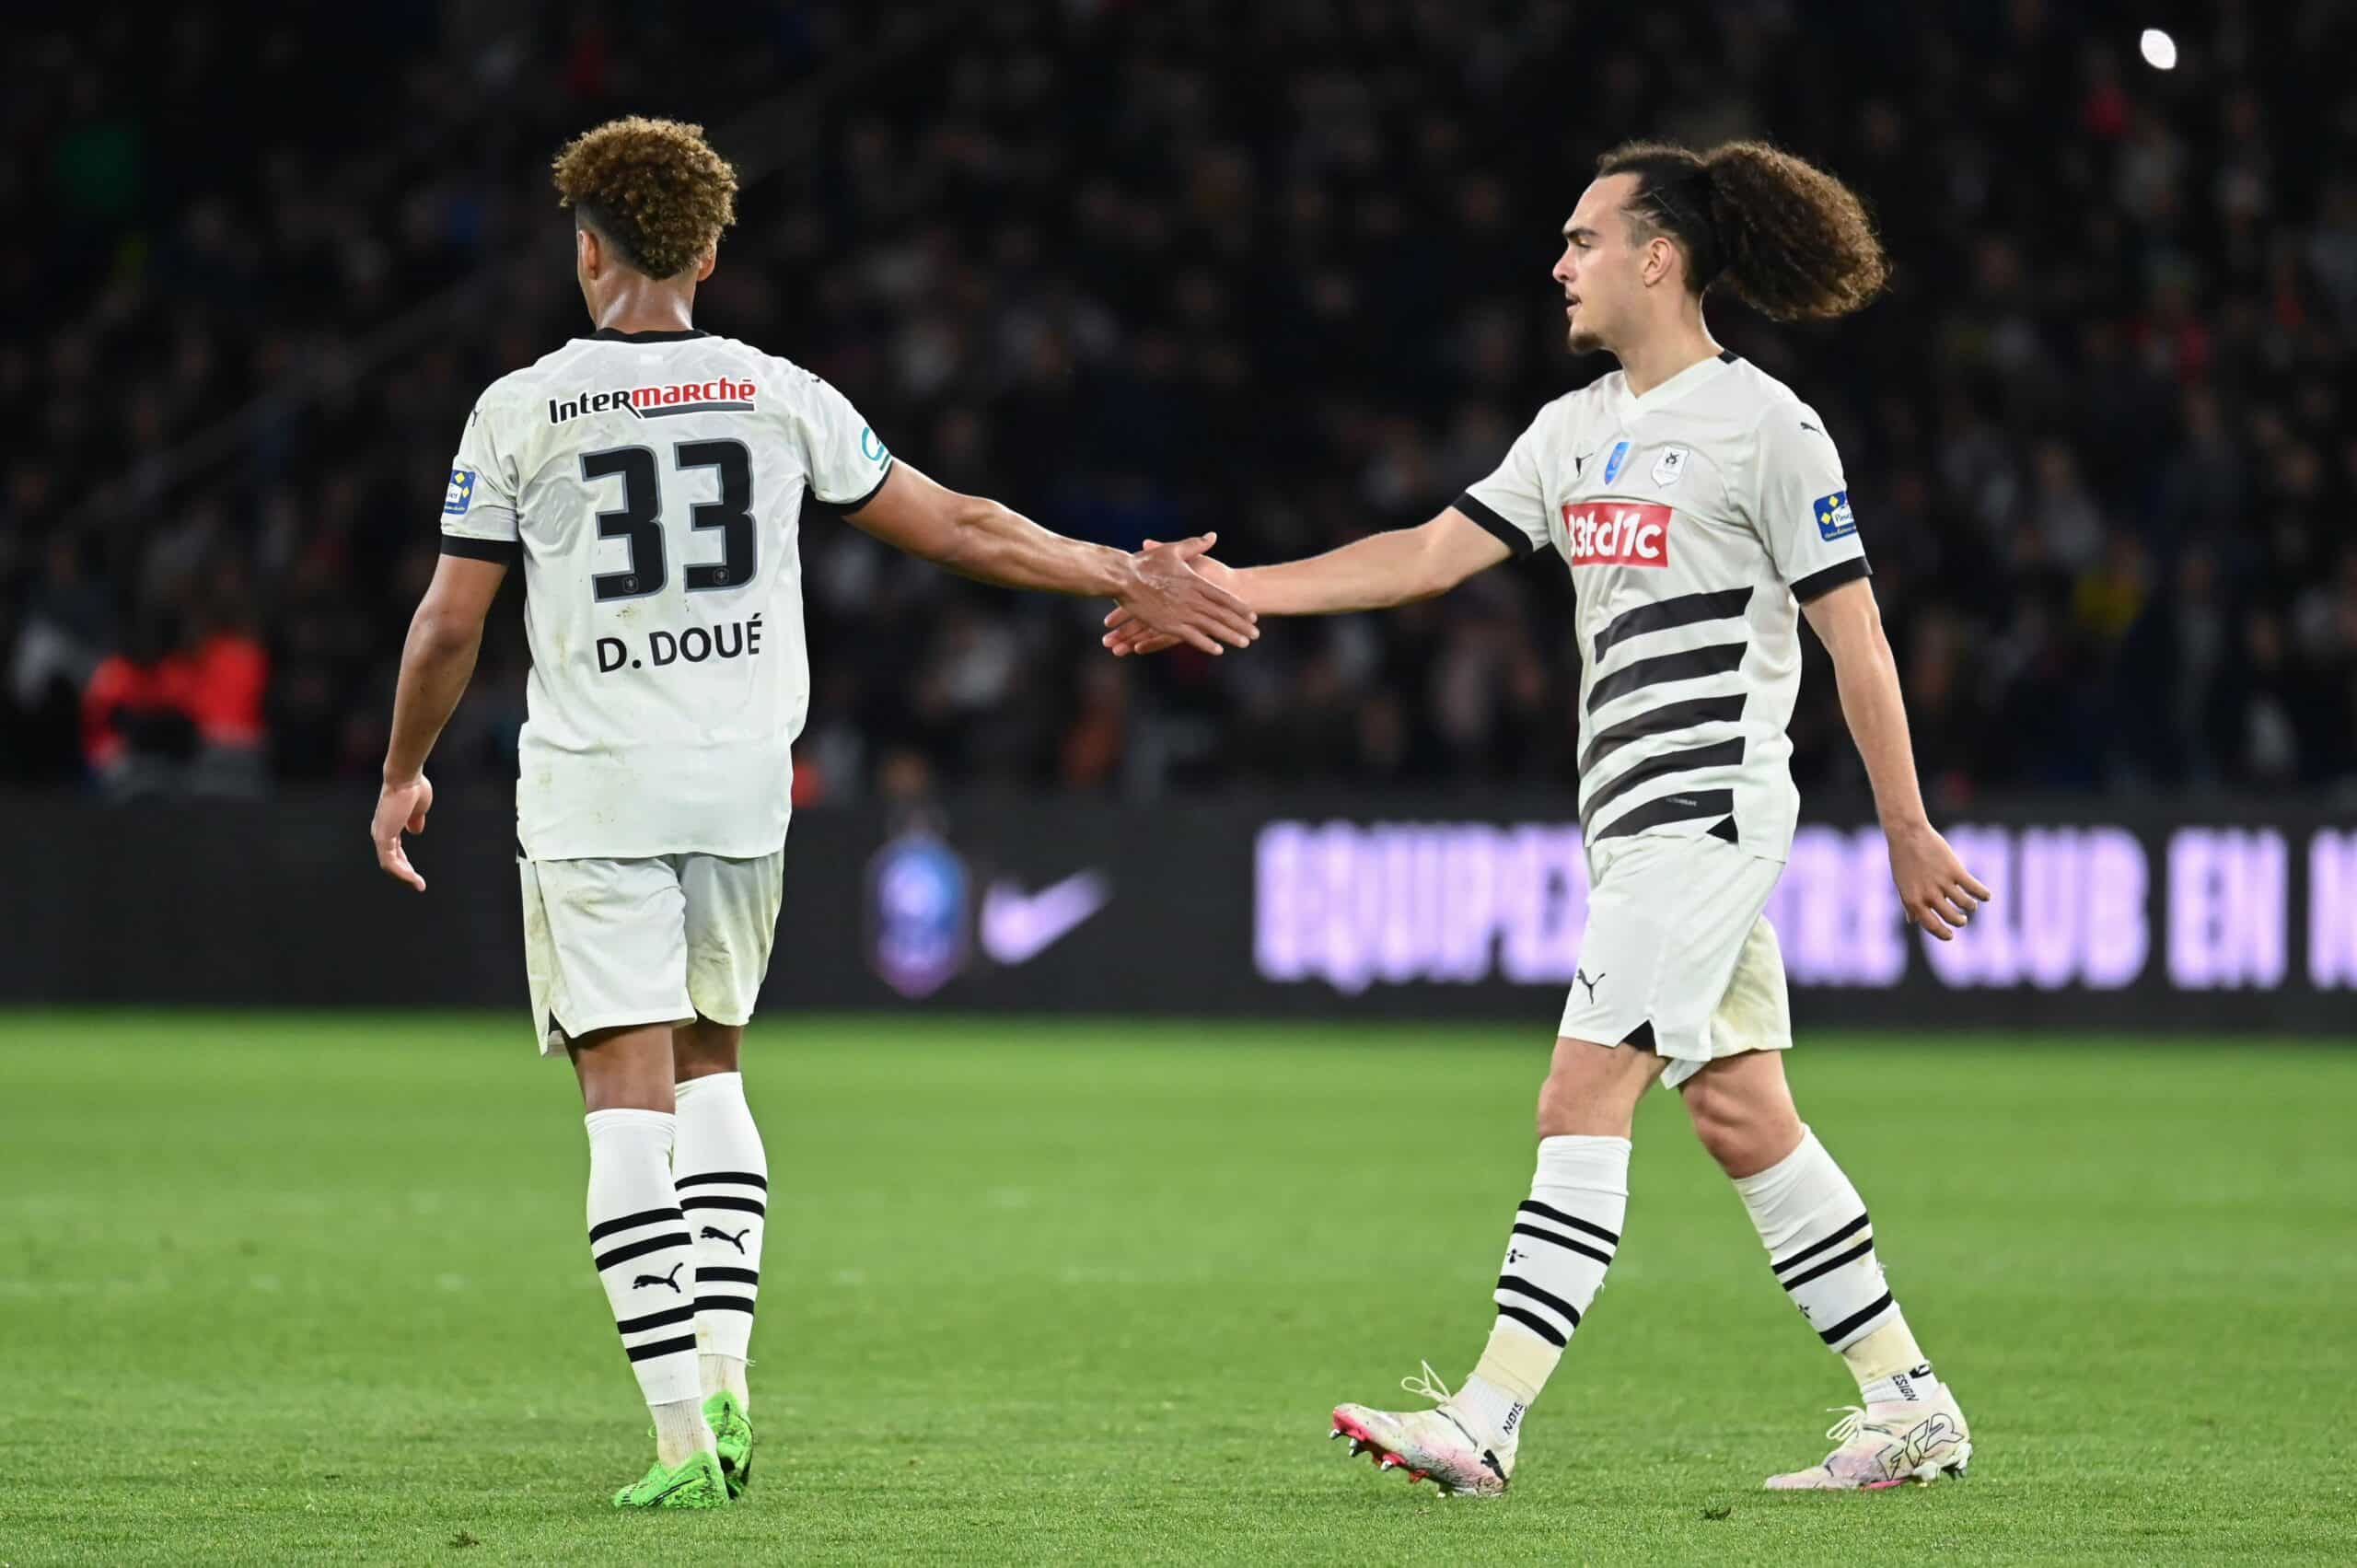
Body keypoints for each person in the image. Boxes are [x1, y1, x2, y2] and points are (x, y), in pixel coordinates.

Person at [371, 116, 1254, 1511]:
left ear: (584, 249)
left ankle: (676, 1434)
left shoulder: (521, 407)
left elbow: (446, 628)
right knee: (714, 1064)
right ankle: (728, 1367)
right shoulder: (778, 392)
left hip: (598, 786)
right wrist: (1114, 568)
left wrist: (402, 769)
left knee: (623, 1097)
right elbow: (962, 524)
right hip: (741, 786)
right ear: (711, 252)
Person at [1106, 140, 1991, 1496]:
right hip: (1631, 832)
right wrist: (1238, 597)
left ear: (1659, 255)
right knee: (1744, 1116)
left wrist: (1907, 824)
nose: (1559, 261)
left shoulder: (1768, 425)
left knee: (1581, 1094)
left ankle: (1486, 1418)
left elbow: (1855, 639)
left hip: (1706, 817)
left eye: (1583, 238)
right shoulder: (1575, 429)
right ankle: (1907, 1401)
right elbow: (1417, 557)